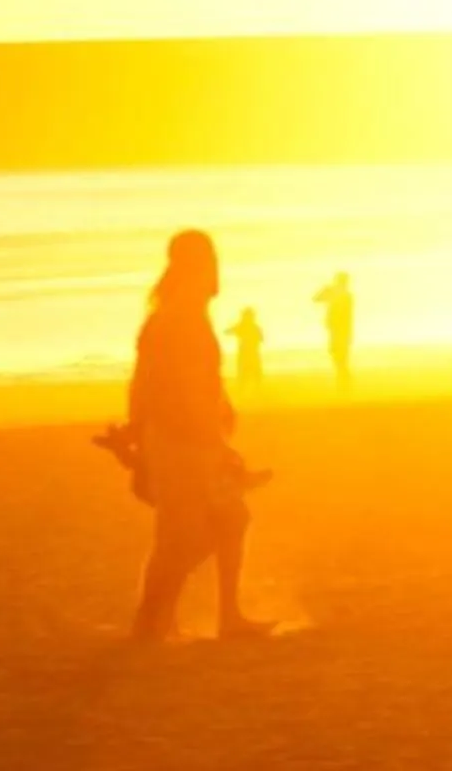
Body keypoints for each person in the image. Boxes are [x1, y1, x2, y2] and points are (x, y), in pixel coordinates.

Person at [128, 230, 271, 641]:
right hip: (181, 442)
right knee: (186, 535)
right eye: (210, 261)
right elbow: (159, 385)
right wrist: (210, 442)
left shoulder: (182, 314)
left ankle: (222, 616)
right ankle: (152, 620)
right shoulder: (176, 317)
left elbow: (183, 380)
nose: (216, 271)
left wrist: (220, 407)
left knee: (227, 520)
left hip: (186, 438)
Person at [315, 271, 356, 390]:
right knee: (336, 353)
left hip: (340, 329)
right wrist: (326, 290)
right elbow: (316, 299)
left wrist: (327, 291)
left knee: (340, 354)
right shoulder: (339, 294)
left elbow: (347, 315)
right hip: (336, 328)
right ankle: (343, 378)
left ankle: (343, 380)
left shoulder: (345, 296)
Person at [230, 305, 266, 390]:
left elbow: (261, 338)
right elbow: (261, 339)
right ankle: (248, 387)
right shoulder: (245, 326)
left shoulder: (251, 327)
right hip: (247, 352)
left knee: (253, 371)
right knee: (246, 372)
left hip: (250, 352)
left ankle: (254, 387)